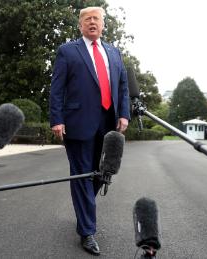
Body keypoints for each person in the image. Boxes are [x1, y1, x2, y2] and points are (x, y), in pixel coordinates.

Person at [49, 6, 130, 255]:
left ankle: (84, 215)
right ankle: (87, 231)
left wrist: (124, 113)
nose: (92, 22)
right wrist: (57, 119)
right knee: (82, 175)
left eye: (96, 19)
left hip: (107, 125)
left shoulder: (114, 53)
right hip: (77, 123)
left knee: (100, 175)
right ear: (81, 25)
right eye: (87, 19)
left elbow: (123, 86)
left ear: (103, 24)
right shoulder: (67, 51)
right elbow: (57, 88)